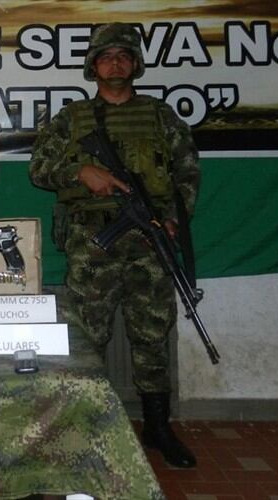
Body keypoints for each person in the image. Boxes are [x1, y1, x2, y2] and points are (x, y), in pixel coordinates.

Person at [29, 23, 201, 468]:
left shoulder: (162, 116)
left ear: (136, 64)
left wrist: (171, 220)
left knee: (152, 333)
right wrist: (80, 173)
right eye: (106, 56)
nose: (115, 63)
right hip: (93, 242)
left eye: (124, 55)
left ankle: (157, 427)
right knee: (87, 337)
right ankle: (80, 424)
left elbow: (187, 174)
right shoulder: (71, 119)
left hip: (149, 239)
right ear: (93, 66)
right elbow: (39, 168)